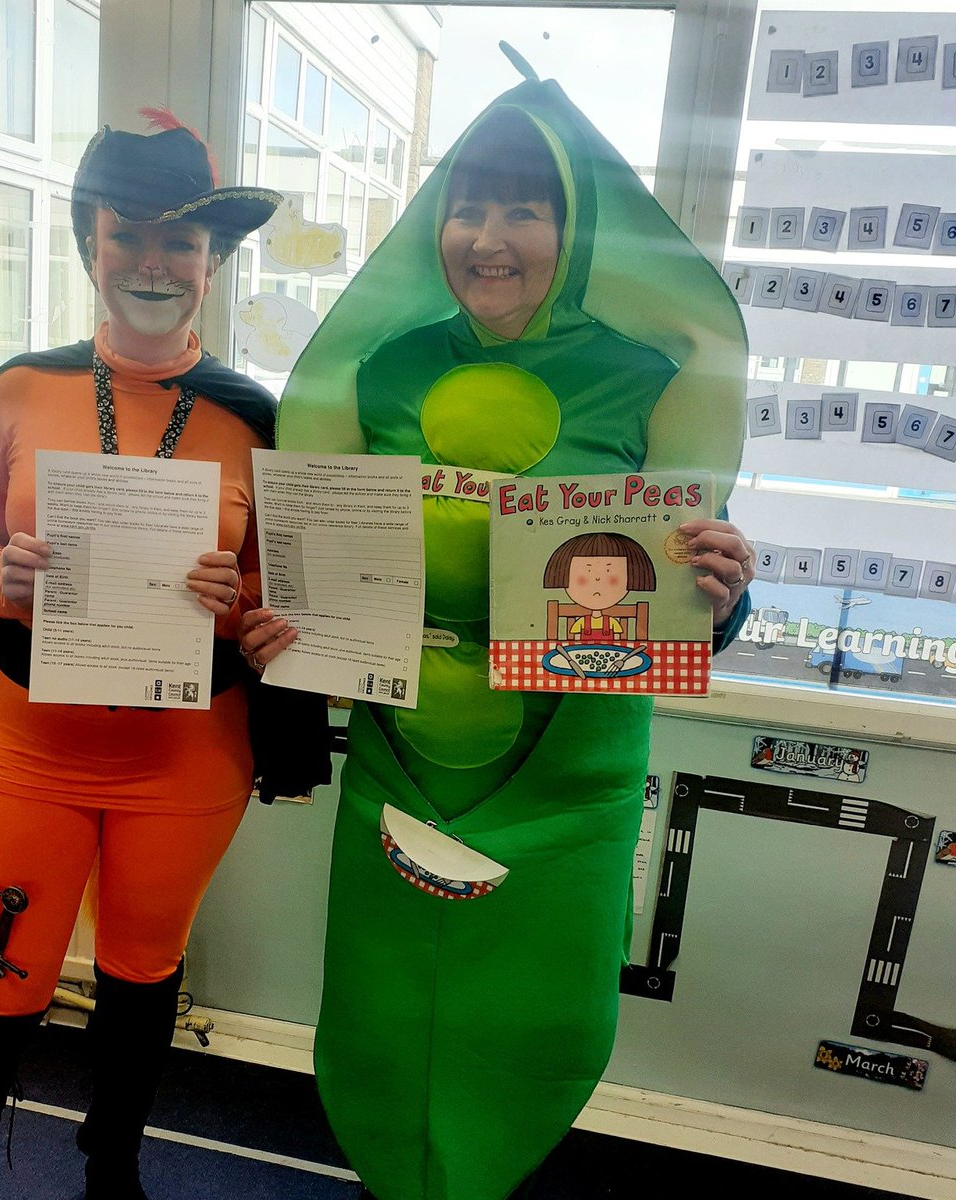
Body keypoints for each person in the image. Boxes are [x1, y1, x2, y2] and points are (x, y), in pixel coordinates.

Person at [241, 51, 754, 1200]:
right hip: (403, 760)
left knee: (529, 1031)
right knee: (383, 1024)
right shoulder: (384, 371)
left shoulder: (646, 377)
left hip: (567, 778)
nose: (488, 236)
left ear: (578, 231)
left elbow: (677, 584)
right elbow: (331, 564)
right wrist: (287, 632)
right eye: (468, 205)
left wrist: (722, 592)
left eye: (526, 208)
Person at [0, 112, 329, 1200]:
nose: (153, 262)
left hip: (185, 762)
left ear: (212, 261)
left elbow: (274, 597)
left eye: (179, 241)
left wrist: (237, 607)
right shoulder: (22, 387)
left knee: (143, 976)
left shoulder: (256, 416)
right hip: (27, 746)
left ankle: (112, 1170)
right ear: (88, 244)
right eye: (127, 234)